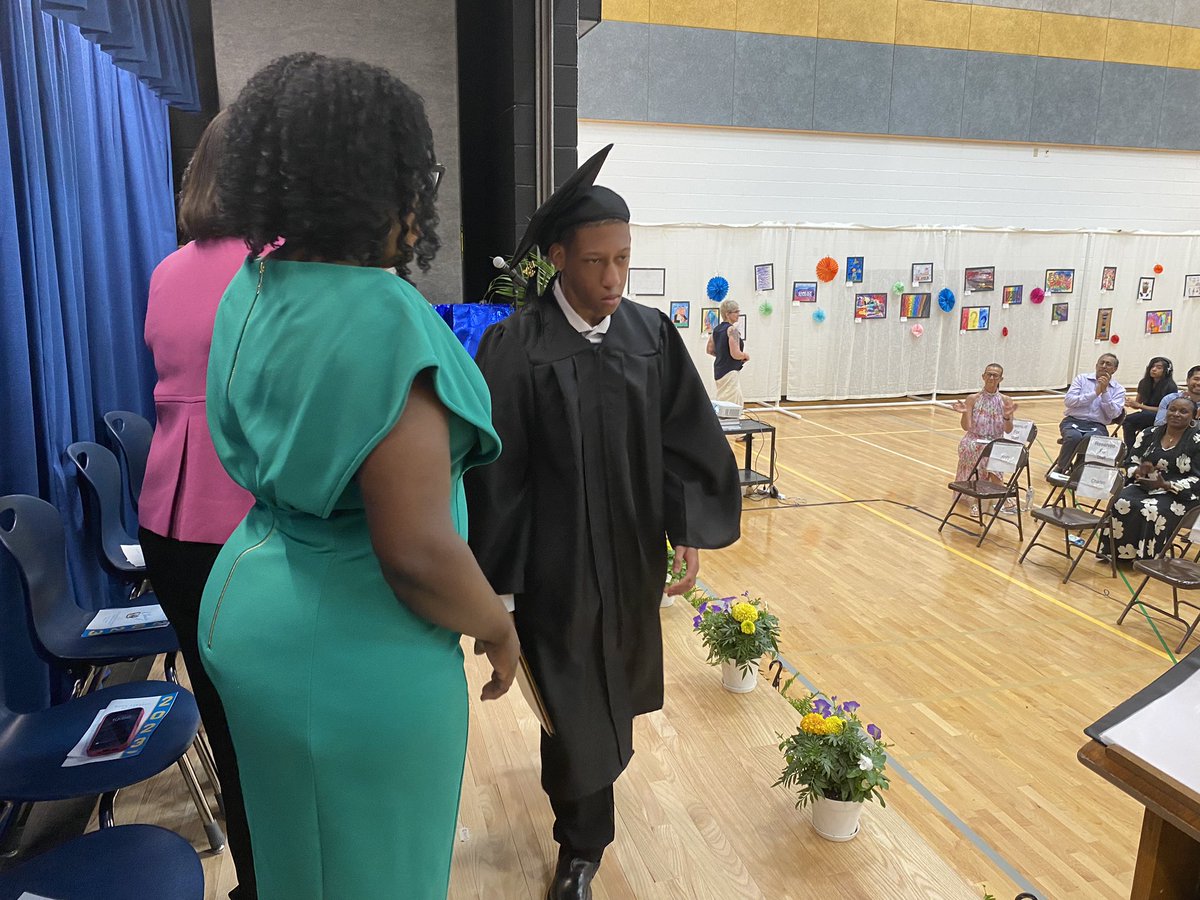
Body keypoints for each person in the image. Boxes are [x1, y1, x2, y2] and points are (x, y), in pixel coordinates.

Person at [198, 53, 519, 899]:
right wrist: (497, 625)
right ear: (381, 182)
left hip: (252, 603)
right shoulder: (383, 318)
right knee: (377, 873)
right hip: (350, 644)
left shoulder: (254, 285)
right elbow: (414, 549)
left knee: (301, 864)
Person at [465, 146, 741, 900]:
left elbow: (683, 437)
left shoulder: (649, 336)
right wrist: (502, 595)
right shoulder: (515, 348)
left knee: (603, 695)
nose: (612, 278)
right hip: (552, 572)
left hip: (626, 563)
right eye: (595, 262)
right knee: (577, 706)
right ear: (558, 259)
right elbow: (496, 477)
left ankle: (576, 793)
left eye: (623, 259)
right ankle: (581, 850)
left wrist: (684, 524)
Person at [137, 109, 258, 900]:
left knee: (224, 716)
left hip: (165, 516)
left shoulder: (165, 268)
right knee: (271, 729)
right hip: (243, 513)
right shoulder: (278, 266)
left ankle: (254, 879)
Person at [1107, 397, 1200, 561]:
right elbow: (1130, 461)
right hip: (1146, 485)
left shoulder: (1197, 441)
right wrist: (1139, 472)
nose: (1176, 414)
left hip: (1182, 493)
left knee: (1152, 509)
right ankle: (1118, 555)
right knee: (1121, 501)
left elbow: (1197, 478)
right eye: (1172, 409)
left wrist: (1166, 484)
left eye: (1183, 411)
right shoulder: (1148, 433)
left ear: (1194, 416)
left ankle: (1147, 560)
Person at [950, 363, 1018, 513]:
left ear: (1001, 378)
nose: (991, 377)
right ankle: (994, 497)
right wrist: (964, 412)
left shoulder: (1006, 400)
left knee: (993, 454)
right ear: (983, 376)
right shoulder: (973, 399)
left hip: (996, 441)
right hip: (974, 440)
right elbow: (966, 427)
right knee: (982, 453)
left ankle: (985, 498)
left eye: (995, 375)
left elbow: (1009, 429)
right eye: (989, 374)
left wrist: (1007, 417)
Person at [1052, 353, 1126, 473]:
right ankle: (1061, 467)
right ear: (1096, 365)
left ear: (1114, 369)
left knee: (1089, 439)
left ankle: (1078, 469)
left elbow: (1114, 414)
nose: (1104, 366)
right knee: (1073, 437)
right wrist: (1095, 394)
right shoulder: (1082, 379)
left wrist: (1105, 392)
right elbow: (1069, 401)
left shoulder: (1119, 389)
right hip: (1072, 420)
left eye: (1108, 364)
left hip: (1097, 425)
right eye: (1101, 363)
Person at [1123, 357, 1175, 448]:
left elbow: (1165, 410)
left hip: (1161, 417)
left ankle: (1131, 451)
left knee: (1128, 419)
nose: (1154, 369)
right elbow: (1138, 403)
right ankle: (1131, 449)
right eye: (1152, 367)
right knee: (1127, 422)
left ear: (1166, 371)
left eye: (1158, 367)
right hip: (1145, 415)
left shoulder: (1170, 386)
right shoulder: (1144, 382)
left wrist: (1140, 406)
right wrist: (1130, 403)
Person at [706, 298, 749, 408]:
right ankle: (728, 424)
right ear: (727, 314)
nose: (738, 314)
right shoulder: (732, 330)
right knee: (731, 405)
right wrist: (745, 356)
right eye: (736, 312)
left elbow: (709, 350)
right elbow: (735, 353)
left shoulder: (716, 329)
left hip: (719, 369)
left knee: (724, 399)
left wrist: (722, 355)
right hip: (729, 371)